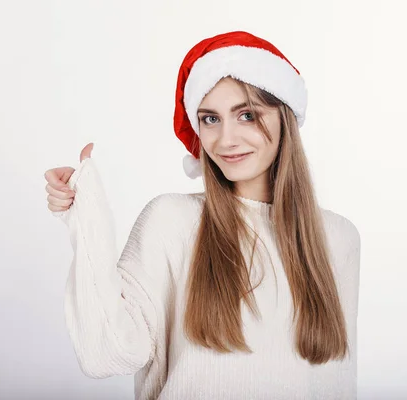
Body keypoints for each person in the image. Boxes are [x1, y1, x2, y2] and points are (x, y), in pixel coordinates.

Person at [44, 30, 361, 400]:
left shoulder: (338, 238)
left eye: (246, 115)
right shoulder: (172, 221)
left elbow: (337, 384)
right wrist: (86, 220)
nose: (226, 139)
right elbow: (107, 353)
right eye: (210, 119)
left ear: (284, 118)